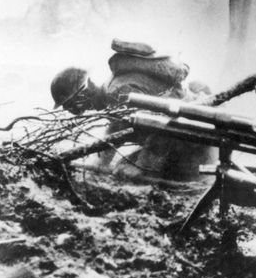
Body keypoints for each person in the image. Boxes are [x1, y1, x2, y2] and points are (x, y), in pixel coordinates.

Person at [50, 39, 213, 179]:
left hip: (193, 142)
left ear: (83, 92)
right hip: (185, 137)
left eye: (71, 105)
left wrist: (141, 166)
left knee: (126, 174)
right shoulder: (112, 92)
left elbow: (162, 124)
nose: (74, 111)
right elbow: (117, 128)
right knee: (120, 169)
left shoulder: (118, 93)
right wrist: (101, 162)